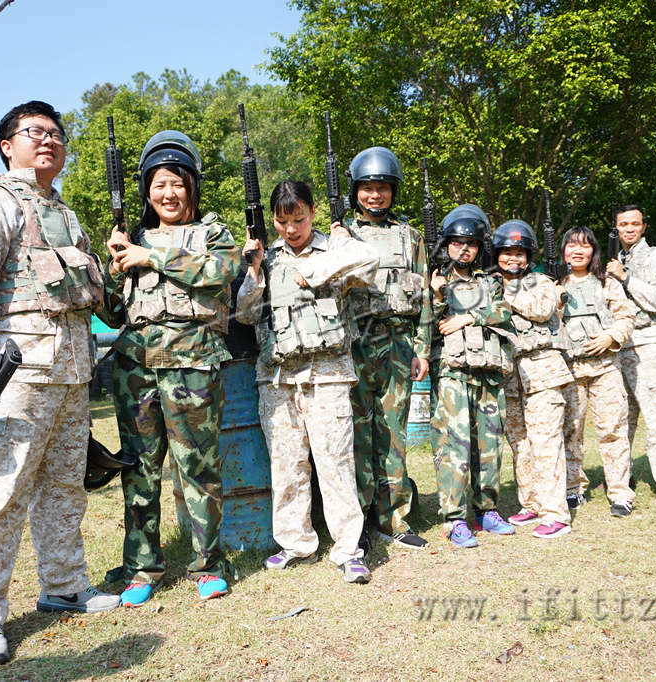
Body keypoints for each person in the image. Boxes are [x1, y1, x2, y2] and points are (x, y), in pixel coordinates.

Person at [0, 100, 119, 667]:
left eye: (56, 135)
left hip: (70, 370)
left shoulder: (66, 215)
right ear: (6, 144)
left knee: (65, 484)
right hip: (16, 373)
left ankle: (64, 586)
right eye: (33, 133)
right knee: (0, 492)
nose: (47, 141)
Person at [98, 130, 239, 605]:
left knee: (198, 468)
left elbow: (220, 273)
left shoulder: (213, 233)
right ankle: (142, 567)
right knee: (139, 469)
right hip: (136, 368)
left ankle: (208, 565)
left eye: (177, 183)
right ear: (146, 191)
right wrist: (113, 269)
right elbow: (113, 313)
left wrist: (151, 255)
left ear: (192, 187)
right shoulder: (130, 239)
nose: (168, 194)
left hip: (192, 364)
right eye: (159, 185)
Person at [237, 181, 378, 582]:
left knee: (335, 465)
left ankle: (349, 549)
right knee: (287, 466)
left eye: (298, 219)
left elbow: (371, 261)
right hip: (278, 380)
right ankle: (295, 543)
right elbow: (245, 315)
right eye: (282, 222)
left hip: (328, 376)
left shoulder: (337, 249)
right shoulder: (265, 255)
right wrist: (253, 268)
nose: (291, 229)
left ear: (313, 212)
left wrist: (323, 260)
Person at [345, 147, 431, 549]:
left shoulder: (410, 238)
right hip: (355, 343)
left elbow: (426, 298)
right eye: (367, 188)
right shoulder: (341, 235)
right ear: (355, 192)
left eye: (382, 188)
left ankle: (395, 518)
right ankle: (358, 520)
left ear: (392, 191)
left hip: (398, 343)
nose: (374, 196)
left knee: (394, 435)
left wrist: (423, 349)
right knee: (359, 434)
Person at [428, 205, 514, 548]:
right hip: (452, 372)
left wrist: (467, 318)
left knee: (489, 445)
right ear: (446, 244)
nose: (464, 248)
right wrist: (435, 297)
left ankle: (487, 510)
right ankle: (454, 518)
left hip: (488, 372)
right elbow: (425, 322)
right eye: (457, 242)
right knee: (455, 446)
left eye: (472, 243)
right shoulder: (435, 280)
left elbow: (505, 310)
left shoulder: (490, 282)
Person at [493, 220, 574, 539]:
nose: (513, 259)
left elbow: (542, 309)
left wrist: (502, 294)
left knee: (546, 442)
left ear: (529, 256)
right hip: (511, 374)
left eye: (519, 253)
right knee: (520, 444)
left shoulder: (541, 282)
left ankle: (556, 513)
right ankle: (532, 504)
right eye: (507, 252)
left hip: (543, 370)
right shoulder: (489, 284)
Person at [606, 206, 656, 506]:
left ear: (644, 226)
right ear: (616, 228)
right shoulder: (613, 259)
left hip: (649, 342)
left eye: (635, 224)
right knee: (620, 418)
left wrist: (625, 277)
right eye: (623, 224)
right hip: (619, 346)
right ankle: (619, 477)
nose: (629, 229)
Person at [557, 227, 637, 517]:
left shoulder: (607, 282)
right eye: (572, 245)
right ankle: (573, 488)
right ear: (563, 249)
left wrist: (611, 337)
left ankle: (619, 492)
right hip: (569, 369)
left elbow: (627, 317)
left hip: (605, 367)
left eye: (585, 246)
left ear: (594, 251)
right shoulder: (552, 283)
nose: (578, 251)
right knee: (570, 430)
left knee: (613, 429)